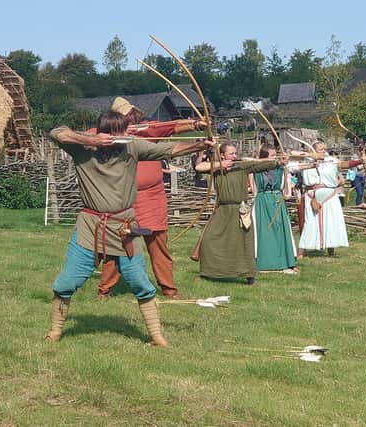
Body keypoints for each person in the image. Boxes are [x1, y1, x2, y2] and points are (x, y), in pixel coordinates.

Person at [45, 111, 214, 346]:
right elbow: (56, 132)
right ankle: (55, 332)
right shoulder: (82, 149)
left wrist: (200, 145)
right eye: (121, 131)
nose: (127, 135)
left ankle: (156, 337)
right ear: (107, 132)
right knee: (66, 283)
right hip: (90, 227)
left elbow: (169, 150)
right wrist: (91, 140)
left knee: (140, 283)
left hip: (125, 227)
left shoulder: (132, 147)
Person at [97, 97, 207, 300]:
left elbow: (169, 127)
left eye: (130, 114)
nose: (129, 118)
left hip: (152, 197)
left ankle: (169, 289)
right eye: (123, 116)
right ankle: (104, 290)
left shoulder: (146, 131)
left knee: (158, 245)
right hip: (124, 198)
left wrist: (196, 124)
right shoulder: (107, 137)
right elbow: (87, 137)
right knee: (118, 245)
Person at [196, 143, 287, 285]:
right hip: (223, 210)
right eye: (231, 153)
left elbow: (260, 165)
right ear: (222, 155)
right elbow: (199, 167)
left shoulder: (241, 165)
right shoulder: (215, 168)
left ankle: (249, 275)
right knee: (209, 239)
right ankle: (209, 272)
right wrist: (219, 165)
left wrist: (278, 162)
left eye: (235, 153)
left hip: (240, 210)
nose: (234, 156)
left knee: (244, 243)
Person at [298, 140, 361, 257]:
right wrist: (311, 157)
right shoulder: (306, 161)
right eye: (320, 149)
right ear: (313, 150)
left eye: (324, 149)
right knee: (310, 223)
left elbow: (344, 164)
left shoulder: (330, 160)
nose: (324, 151)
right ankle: (301, 252)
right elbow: (294, 155)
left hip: (330, 194)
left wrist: (360, 161)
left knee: (331, 222)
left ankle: (330, 250)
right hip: (312, 194)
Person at [252, 144, 298, 273]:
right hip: (262, 201)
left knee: (280, 230)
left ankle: (285, 261)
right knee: (264, 233)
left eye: (275, 155)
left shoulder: (280, 168)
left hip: (277, 201)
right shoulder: (256, 168)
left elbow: (297, 167)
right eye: (272, 156)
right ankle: (265, 262)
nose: (275, 158)